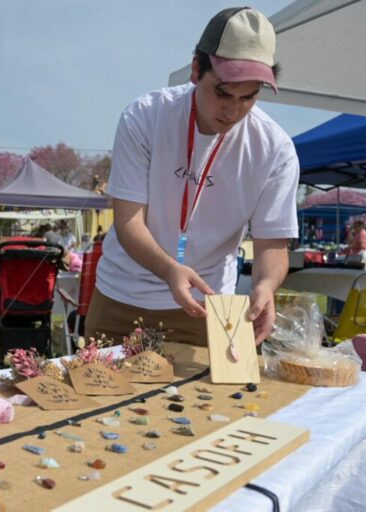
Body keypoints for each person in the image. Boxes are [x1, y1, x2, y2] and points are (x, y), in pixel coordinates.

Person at [86, 7, 299, 347]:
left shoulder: (276, 149)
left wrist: (265, 286)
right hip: (121, 297)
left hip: (208, 305)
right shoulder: (145, 117)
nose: (233, 111)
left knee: (209, 400)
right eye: (222, 93)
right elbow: (128, 222)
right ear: (196, 69)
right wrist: (171, 270)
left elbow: (273, 244)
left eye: (249, 97)